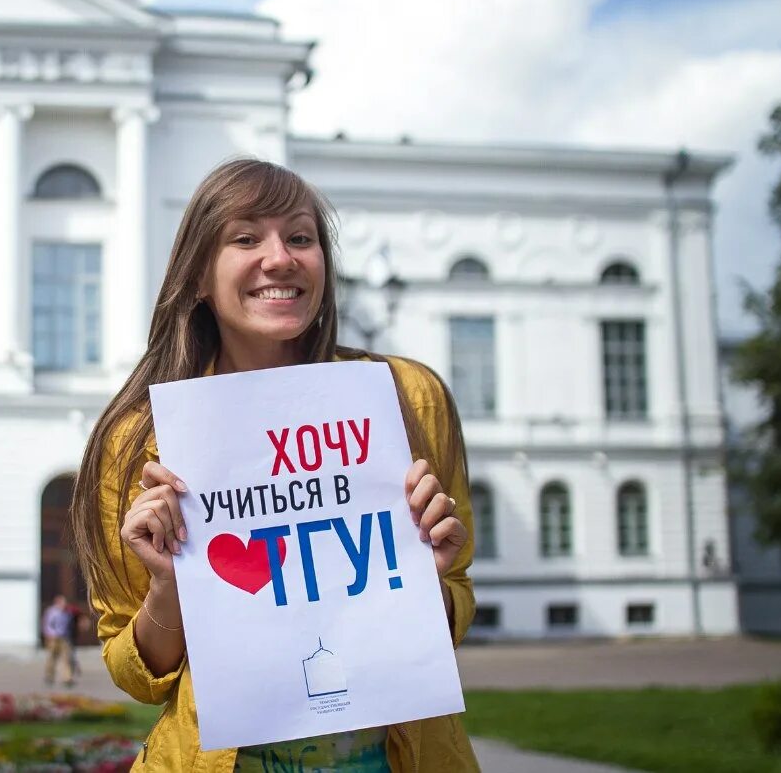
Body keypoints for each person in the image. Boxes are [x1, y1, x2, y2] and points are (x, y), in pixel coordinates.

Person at [72, 159, 480, 772]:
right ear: (199, 276)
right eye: (245, 238)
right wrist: (170, 586)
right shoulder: (138, 440)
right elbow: (138, 675)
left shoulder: (407, 397)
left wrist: (427, 583)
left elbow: (456, 605)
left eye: (300, 237)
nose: (281, 258)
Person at [41, 594, 75, 687]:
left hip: (64, 637)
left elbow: (69, 625)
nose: (64, 604)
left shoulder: (67, 612)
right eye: (62, 602)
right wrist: (49, 635)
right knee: (52, 657)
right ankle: (49, 676)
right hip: (54, 637)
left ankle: (67, 678)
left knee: (66, 658)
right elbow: (47, 624)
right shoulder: (52, 612)